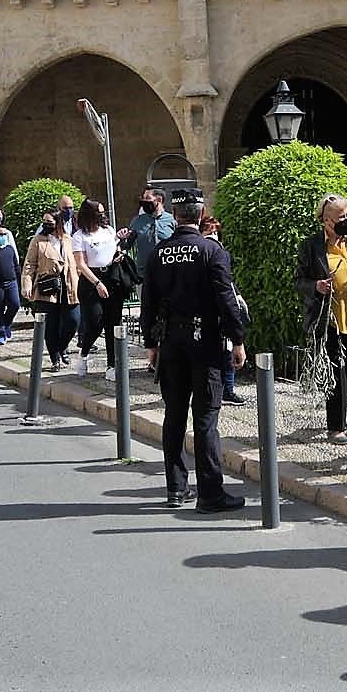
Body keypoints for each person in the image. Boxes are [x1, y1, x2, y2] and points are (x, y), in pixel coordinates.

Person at [141, 188, 247, 513]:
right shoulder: (212, 251)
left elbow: (147, 303)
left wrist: (150, 344)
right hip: (206, 341)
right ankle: (210, 493)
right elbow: (227, 300)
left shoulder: (160, 252)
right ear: (201, 214)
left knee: (174, 416)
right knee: (205, 418)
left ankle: (175, 488)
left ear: (175, 215)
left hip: (171, 341)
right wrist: (238, 339)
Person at [295, 195, 347, 444]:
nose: (346, 221)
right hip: (329, 319)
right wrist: (316, 285)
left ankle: (338, 408)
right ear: (326, 221)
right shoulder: (311, 246)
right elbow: (298, 281)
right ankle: (336, 425)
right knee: (337, 371)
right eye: (340, 217)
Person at [71, 199, 125, 376]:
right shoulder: (80, 236)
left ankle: (112, 365)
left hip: (111, 276)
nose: (102, 216)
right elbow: (81, 264)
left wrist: (119, 253)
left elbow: (113, 249)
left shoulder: (109, 231)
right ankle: (84, 353)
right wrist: (97, 283)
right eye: (98, 213)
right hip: (90, 280)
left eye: (103, 212)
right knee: (95, 321)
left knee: (113, 322)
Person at [21, 211, 81, 369]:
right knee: (51, 325)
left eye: (49, 222)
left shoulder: (68, 239)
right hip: (48, 287)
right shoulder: (38, 241)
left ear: (58, 222)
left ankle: (62, 347)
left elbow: (78, 262)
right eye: (44, 222)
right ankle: (55, 358)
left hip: (69, 286)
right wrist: (27, 284)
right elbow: (29, 264)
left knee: (73, 321)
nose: (46, 225)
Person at [199, 214, 244, 405]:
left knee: (227, 350)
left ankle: (228, 389)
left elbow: (227, 281)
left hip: (222, 306)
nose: (213, 235)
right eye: (209, 231)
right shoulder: (201, 251)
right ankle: (215, 390)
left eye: (216, 231)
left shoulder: (222, 252)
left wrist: (237, 296)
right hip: (205, 310)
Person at [120, 187, 174, 280]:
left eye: (147, 198)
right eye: (143, 198)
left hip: (168, 273)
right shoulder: (137, 221)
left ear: (159, 200)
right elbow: (127, 245)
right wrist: (122, 238)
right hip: (144, 275)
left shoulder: (172, 221)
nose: (144, 201)